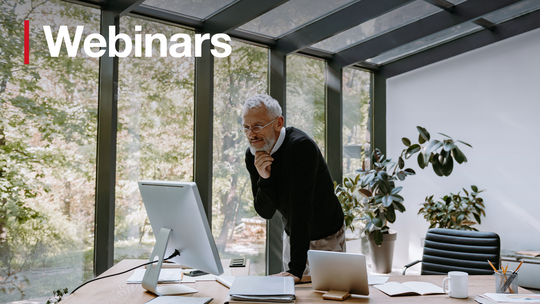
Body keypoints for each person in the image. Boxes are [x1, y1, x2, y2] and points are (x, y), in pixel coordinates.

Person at [242, 94, 345, 282]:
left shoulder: (301, 147)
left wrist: (296, 268)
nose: (251, 134)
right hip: (293, 235)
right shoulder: (253, 154)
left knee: (328, 297)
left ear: (278, 123)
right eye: (246, 127)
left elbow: (301, 208)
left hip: (326, 235)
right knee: (294, 294)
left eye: (257, 126)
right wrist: (265, 179)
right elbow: (265, 211)